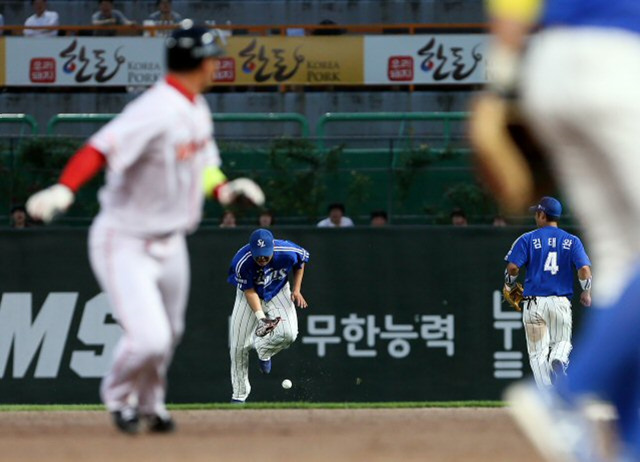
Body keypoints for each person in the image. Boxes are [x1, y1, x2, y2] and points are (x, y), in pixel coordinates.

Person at [25, 22, 265, 434]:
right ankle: (119, 399)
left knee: (168, 334)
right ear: (196, 61)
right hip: (126, 238)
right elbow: (99, 147)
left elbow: (205, 166)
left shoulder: (196, 109)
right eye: (212, 57)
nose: (217, 64)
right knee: (149, 338)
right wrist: (65, 190)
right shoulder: (156, 109)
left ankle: (152, 405)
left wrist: (224, 191)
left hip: (171, 241)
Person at [481, 0, 640, 460]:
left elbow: (512, 10)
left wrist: (497, 85)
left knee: (623, 264)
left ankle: (629, 445)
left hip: (547, 68)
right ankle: (566, 395)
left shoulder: (529, 238)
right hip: (622, 63)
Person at [503, 197, 592, 388]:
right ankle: (558, 358)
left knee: (537, 353)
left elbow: (512, 268)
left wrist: (509, 284)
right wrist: (586, 291)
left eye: (537, 212)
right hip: (559, 302)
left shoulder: (527, 239)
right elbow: (584, 270)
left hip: (534, 304)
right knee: (562, 342)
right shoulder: (572, 241)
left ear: (542, 215)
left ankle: (547, 395)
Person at [227, 228, 309, 403]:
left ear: (273, 247)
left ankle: (263, 350)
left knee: (289, 335)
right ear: (251, 250)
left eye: (265, 254)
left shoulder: (287, 251)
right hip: (248, 296)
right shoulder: (242, 261)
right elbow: (249, 292)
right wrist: (261, 319)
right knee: (238, 347)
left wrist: (297, 289)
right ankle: (239, 395)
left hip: (278, 291)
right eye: (258, 255)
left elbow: (301, 260)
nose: (262, 258)